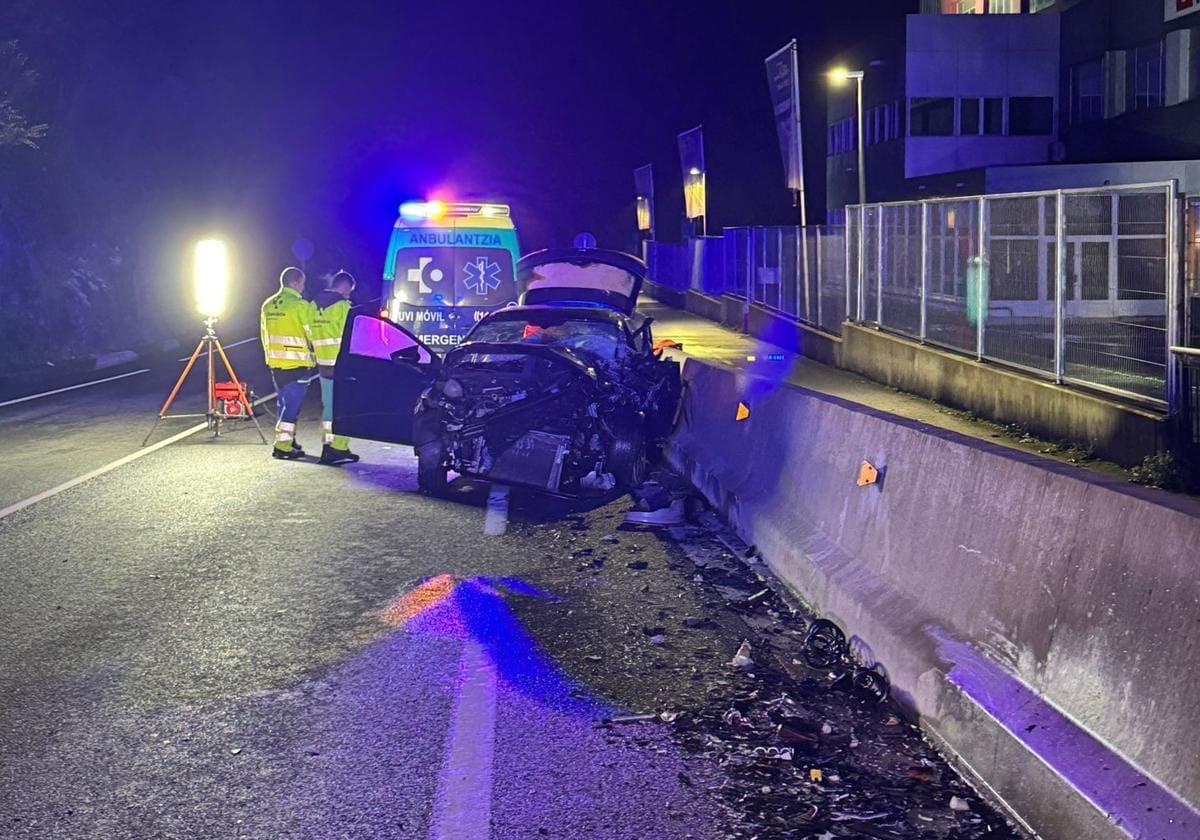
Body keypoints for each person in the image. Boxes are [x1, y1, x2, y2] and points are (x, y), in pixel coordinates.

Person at [260, 266, 316, 460]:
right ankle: (283, 447)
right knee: (291, 407)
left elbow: (263, 334)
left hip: (275, 363)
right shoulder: (300, 305)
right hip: (297, 364)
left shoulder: (268, 304)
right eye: (302, 283)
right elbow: (312, 334)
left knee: (283, 404)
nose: (303, 287)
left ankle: (289, 440)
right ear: (295, 283)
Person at [309, 269, 360, 465]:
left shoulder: (313, 305)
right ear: (345, 286)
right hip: (340, 363)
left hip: (322, 362)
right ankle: (336, 448)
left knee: (329, 406)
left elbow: (308, 330)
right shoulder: (343, 306)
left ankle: (331, 447)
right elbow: (351, 336)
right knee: (344, 406)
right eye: (349, 290)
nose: (349, 294)